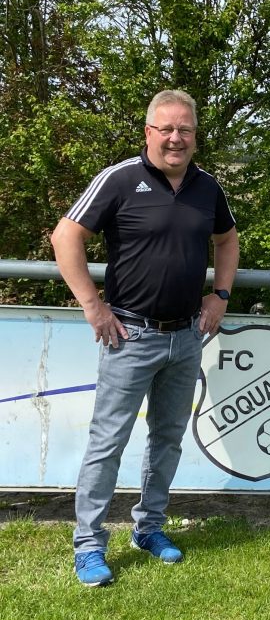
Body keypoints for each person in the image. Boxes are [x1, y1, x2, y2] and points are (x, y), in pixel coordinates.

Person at [51, 89, 239, 586]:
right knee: (108, 442)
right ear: (148, 133)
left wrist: (219, 294)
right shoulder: (119, 179)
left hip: (186, 335)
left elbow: (227, 239)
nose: (176, 138)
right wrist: (93, 305)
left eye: (185, 130)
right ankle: (89, 545)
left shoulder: (207, 188)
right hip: (129, 334)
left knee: (167, 441)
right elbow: (65, 236)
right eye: (167, 129)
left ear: (195, 137)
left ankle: (149, 528)